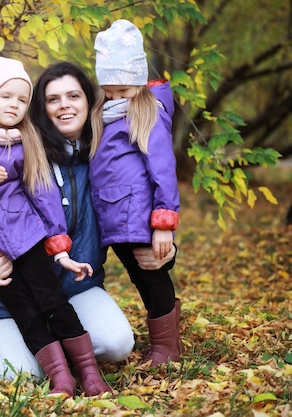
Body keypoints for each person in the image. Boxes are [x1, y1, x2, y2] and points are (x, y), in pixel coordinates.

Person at [0, 61, 176, 391]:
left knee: (117, 345)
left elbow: (133, 212)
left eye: (73, 96)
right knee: (27, 375)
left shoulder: (106, 155)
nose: (65, 105)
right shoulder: (19, 151)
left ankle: (64, 344)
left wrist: (165, 251)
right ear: (41, 108)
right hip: (17, 292)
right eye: (53, 99)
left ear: (90, 102)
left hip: (77, 287)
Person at [0, 57, 112, 397]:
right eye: (5, 96)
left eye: (22, 99)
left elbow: (43, 195)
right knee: (26, 313)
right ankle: (60, 377)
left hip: (26, 236)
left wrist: (59, 251)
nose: (14, 105)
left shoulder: (25, 140)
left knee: (53, 302)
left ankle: (89, 374)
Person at [89, 19, 181, 366]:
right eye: (108, 92)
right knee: (139, 274)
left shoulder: (145, 112)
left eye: (122, 92)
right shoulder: (105, 112)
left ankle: (167, 348)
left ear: (139, 83)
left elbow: (163, 171)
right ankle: (164, 335)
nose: (115, 99)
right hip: (115, 217)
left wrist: (163, 223)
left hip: (140, 216)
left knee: (150, 272)